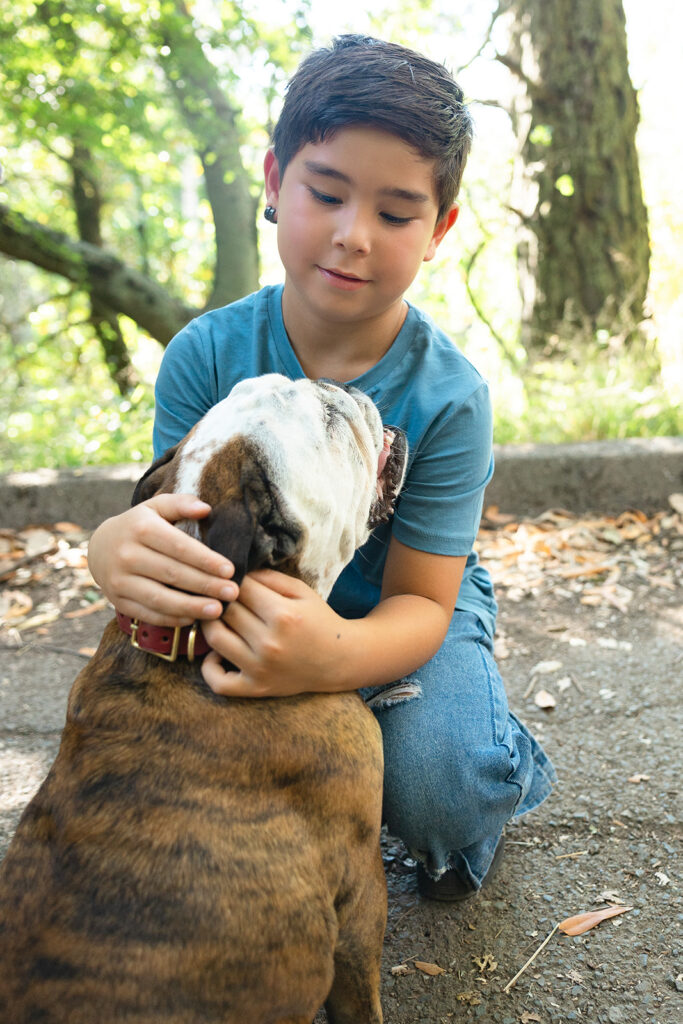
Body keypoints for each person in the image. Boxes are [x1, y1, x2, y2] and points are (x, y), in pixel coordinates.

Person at [88, 34, 556, 900]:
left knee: (443, 797)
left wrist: (335, 654)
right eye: (326, 193)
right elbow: (174, 526)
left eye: (394, 211)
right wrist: (110, 549)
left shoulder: (448, 395)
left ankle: (501, 758)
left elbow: (422, 601)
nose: (351, 236)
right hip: (248, 612)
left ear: (439, 229)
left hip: (399, 620)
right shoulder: (205, 353)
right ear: (273, 182)